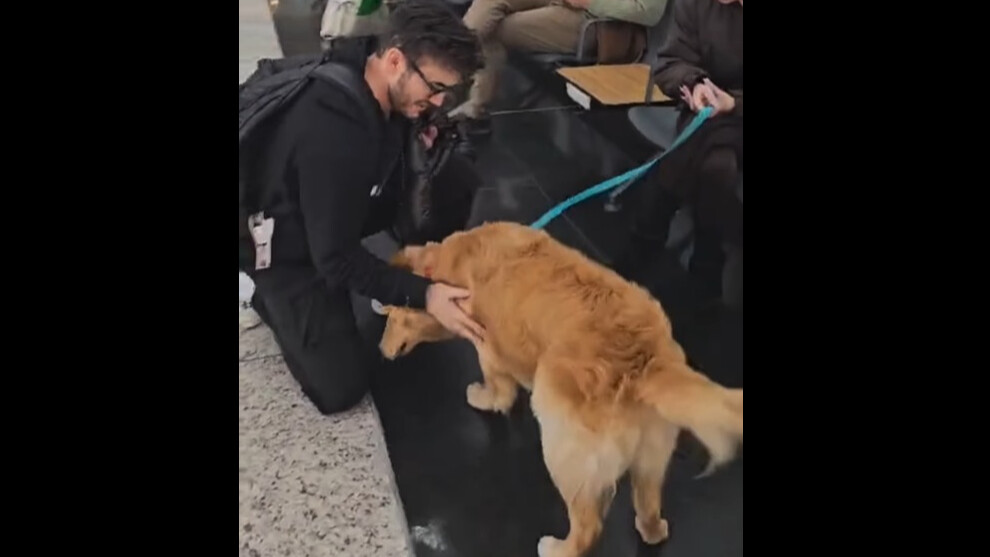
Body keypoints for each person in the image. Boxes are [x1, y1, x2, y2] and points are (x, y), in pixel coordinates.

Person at [240, 0, 487, 415]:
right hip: (279, 245)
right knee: (340, 389)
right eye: (435, 88)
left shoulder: (367, 68)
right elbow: (334, 260)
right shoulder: (337, 133)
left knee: (455, 178)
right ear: (395, 60)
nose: (441, 101)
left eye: (450, 92)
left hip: (326, 202)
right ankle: (267, 297)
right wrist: (424, 295)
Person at [613, 0, 742, 302]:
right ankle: (706, 266)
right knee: (716, 166)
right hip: (706, 112)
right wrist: (695, 84)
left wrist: (733, 103)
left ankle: (644, 244)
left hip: (732, 112)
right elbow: (670, 62)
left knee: (700, 148)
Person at [452, 0, 669, 133]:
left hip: (592, 19)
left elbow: (648, 13)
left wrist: (590, 2)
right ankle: (445, 60)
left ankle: (454, 81)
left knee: (498, 29)